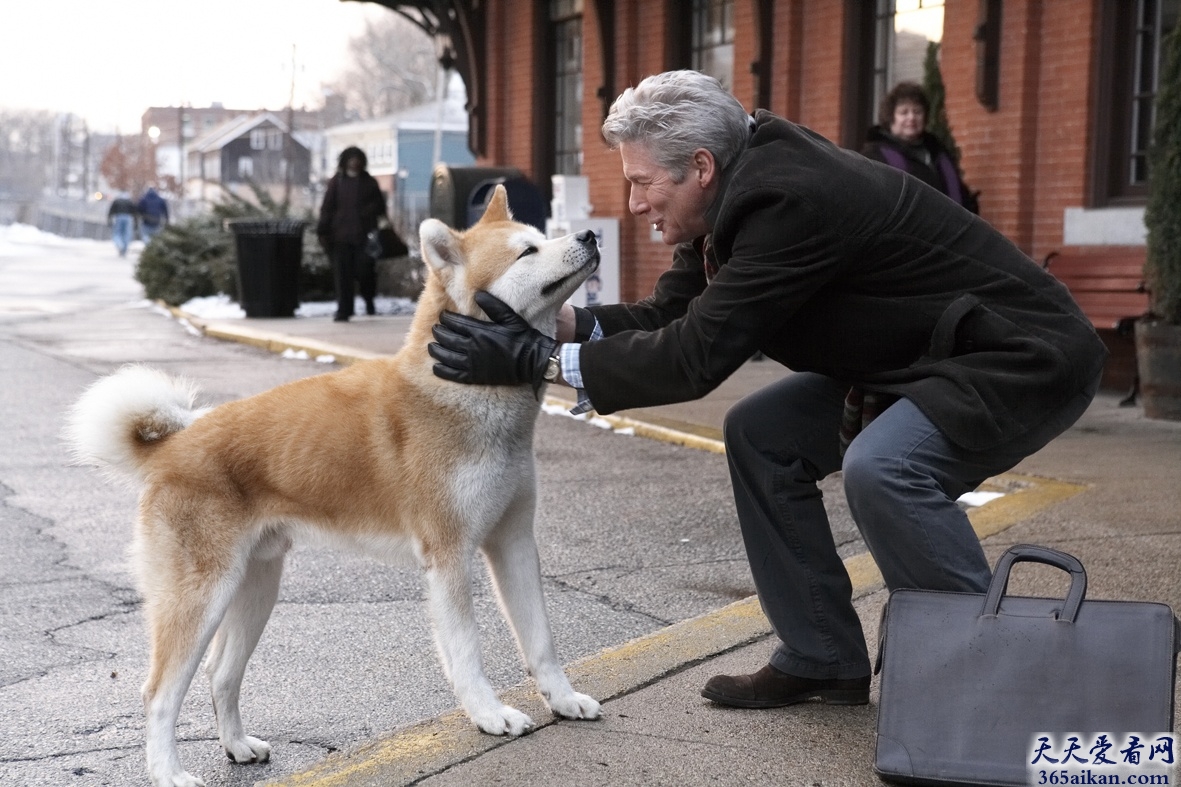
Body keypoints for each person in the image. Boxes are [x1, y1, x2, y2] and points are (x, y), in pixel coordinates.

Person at [428, 70, 1105, 710]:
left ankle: (1003, 675)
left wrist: (535, 359)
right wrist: (555, 322)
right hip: (918, 358)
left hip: (1017, 356)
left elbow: (695, 356)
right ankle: (820, 654)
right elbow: (673, 315)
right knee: (760, 433)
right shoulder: (729, 190)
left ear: (699, 167)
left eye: (641, 183)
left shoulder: (788, 199)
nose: (634, 205)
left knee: (884, 468)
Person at [862, 81, 978, 213]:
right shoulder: (874, 156)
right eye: (904, 112)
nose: (911, 118)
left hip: (950, 229)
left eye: (917, 111)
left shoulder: (938, 152)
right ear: (890, 117)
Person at [316, 146, 389, 322]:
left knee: (365, 272)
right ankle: (344, 310)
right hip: (340, 237)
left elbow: (381, 208)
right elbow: (327, 208)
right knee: (342, 276)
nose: (354, 162)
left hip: (364, 237)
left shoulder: (369, 182)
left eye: (357, 159)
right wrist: (323, 230)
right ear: (344, 161)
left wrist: (368, 212)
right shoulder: (336, 182)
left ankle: (369, 300)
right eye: (351, 159)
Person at [107, 192, 138, 257]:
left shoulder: (117, 201)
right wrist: (136, 223)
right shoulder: (129, 201)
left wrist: (109, 220)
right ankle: (124, 249)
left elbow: (111, 211)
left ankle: (120, 244)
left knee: (117, 233)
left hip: (119, 217)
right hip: (128, 218)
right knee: (127, 234)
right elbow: (135, 212)